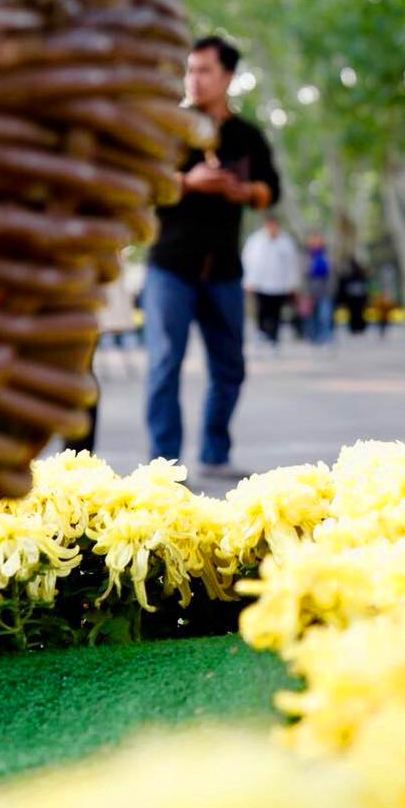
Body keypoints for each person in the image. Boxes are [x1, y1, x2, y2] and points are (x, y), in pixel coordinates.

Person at [144, 36, 281, 478]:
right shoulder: (171, 128)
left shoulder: (247, 135)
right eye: (190, 69)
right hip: (171, 266)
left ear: (227, 76)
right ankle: (164, 464)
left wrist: (248, 191)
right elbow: (146, 184)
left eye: (204, 70)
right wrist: (189, 182)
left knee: (230, 367)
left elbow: (270, 189)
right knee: (165, 364)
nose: (195, 79)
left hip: (223, 268)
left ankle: (215, 453)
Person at [241, 215, 300, 351]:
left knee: (276, 312)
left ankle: (274, 339)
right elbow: (247, 261)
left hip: (279, 285)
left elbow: (292, 264)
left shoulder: (286, 242)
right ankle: (261, 335)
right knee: (261, 310)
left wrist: (292, 283)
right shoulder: (255, 241)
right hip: (260, 284)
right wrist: (248, 281)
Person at [303, 233, 335, 344]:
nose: (315, 242)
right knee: (311, 317)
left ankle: (326, 337)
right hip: (310, 292)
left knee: (324, 316)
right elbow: (302, 274)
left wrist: (332, 288)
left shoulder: (327, 256)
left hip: (325, 291)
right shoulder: (306, 256)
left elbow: (332, 274)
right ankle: (313, 337)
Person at [337, 257, 372, 336]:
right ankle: (357, 327)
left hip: (355, 297)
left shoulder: (354, 272)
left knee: (356, 313)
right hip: (356, 297)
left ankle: (357, 327)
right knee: (356, 312)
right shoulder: (356, 272)